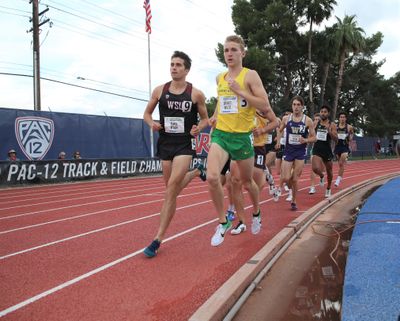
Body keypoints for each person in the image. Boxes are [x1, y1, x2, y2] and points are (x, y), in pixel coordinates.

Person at [206, 35, 277, 246]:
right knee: (212, 177)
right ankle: (223, 222)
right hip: (222, 135)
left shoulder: (250, 76)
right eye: (226, 50)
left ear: (242, 53)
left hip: (242, 138)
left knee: (248, 183)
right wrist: (215, 116)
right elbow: (222, 103)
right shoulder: (219, 78)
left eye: (233, 50)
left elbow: (264, 104)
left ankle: (256, 212)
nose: (229, 54)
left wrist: (240, 91)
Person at [142, 51, 208, 257]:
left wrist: (199, 127)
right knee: (171, 188)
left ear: (186, 70)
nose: (174, 67)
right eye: (172, 64)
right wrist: (151, 123)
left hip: (184, 146)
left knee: (171, 189)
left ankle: (157, 238)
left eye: (178, 65)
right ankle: (197, 172)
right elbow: (146, 114)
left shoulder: (196, 94)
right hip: (166, 144)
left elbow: (205, 120)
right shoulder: (159, 91)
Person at [275, 96, 316, 210]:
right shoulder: (286, 119)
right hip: (288, 150)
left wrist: (306, 140)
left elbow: (314, 138)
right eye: (294, 104)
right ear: (292, 106)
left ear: (302, 107)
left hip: (300, 152)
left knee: (295, 179)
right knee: (286, 177)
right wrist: (278, 141)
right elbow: (279, 130)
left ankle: (293, 201)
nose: (296, 107)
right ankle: (290, 190)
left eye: (298, 105)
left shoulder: (307, 120)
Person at [311, 105, 337, 198]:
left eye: (325, 112)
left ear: (328, 113)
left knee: (329, 171)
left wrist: (329, 131)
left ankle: (328, 188)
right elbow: (311, 134)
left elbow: (336, 139)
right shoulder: (316, 123)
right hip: (317, 148)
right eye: (321, 111)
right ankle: (322, 176)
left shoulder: (332, 124)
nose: (323, 113)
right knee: (315, 168)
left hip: (327, 150)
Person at [334, 112, 354, 187]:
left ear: (345, 119)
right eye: (341, 117)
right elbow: (333, 134)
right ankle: (340, 176)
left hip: (345, 146)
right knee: (340, 164)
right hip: (337, 146)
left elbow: (352, 133)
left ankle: (338, 179)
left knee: (341, 162)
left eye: (343, 117)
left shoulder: (349, 127)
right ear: (339, 118)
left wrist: (350, 138)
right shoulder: (336, 126)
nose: (342, 118)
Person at [309, 112, 321, 194]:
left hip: (324, 150)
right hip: (314, 150)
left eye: (318, 120)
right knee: (313, 168)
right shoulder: (311, 128)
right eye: (315, 119)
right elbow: (309, 139)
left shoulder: (324, 127)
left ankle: (321, 176)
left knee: (322, 169)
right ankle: (312, 187)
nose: (316, 121)